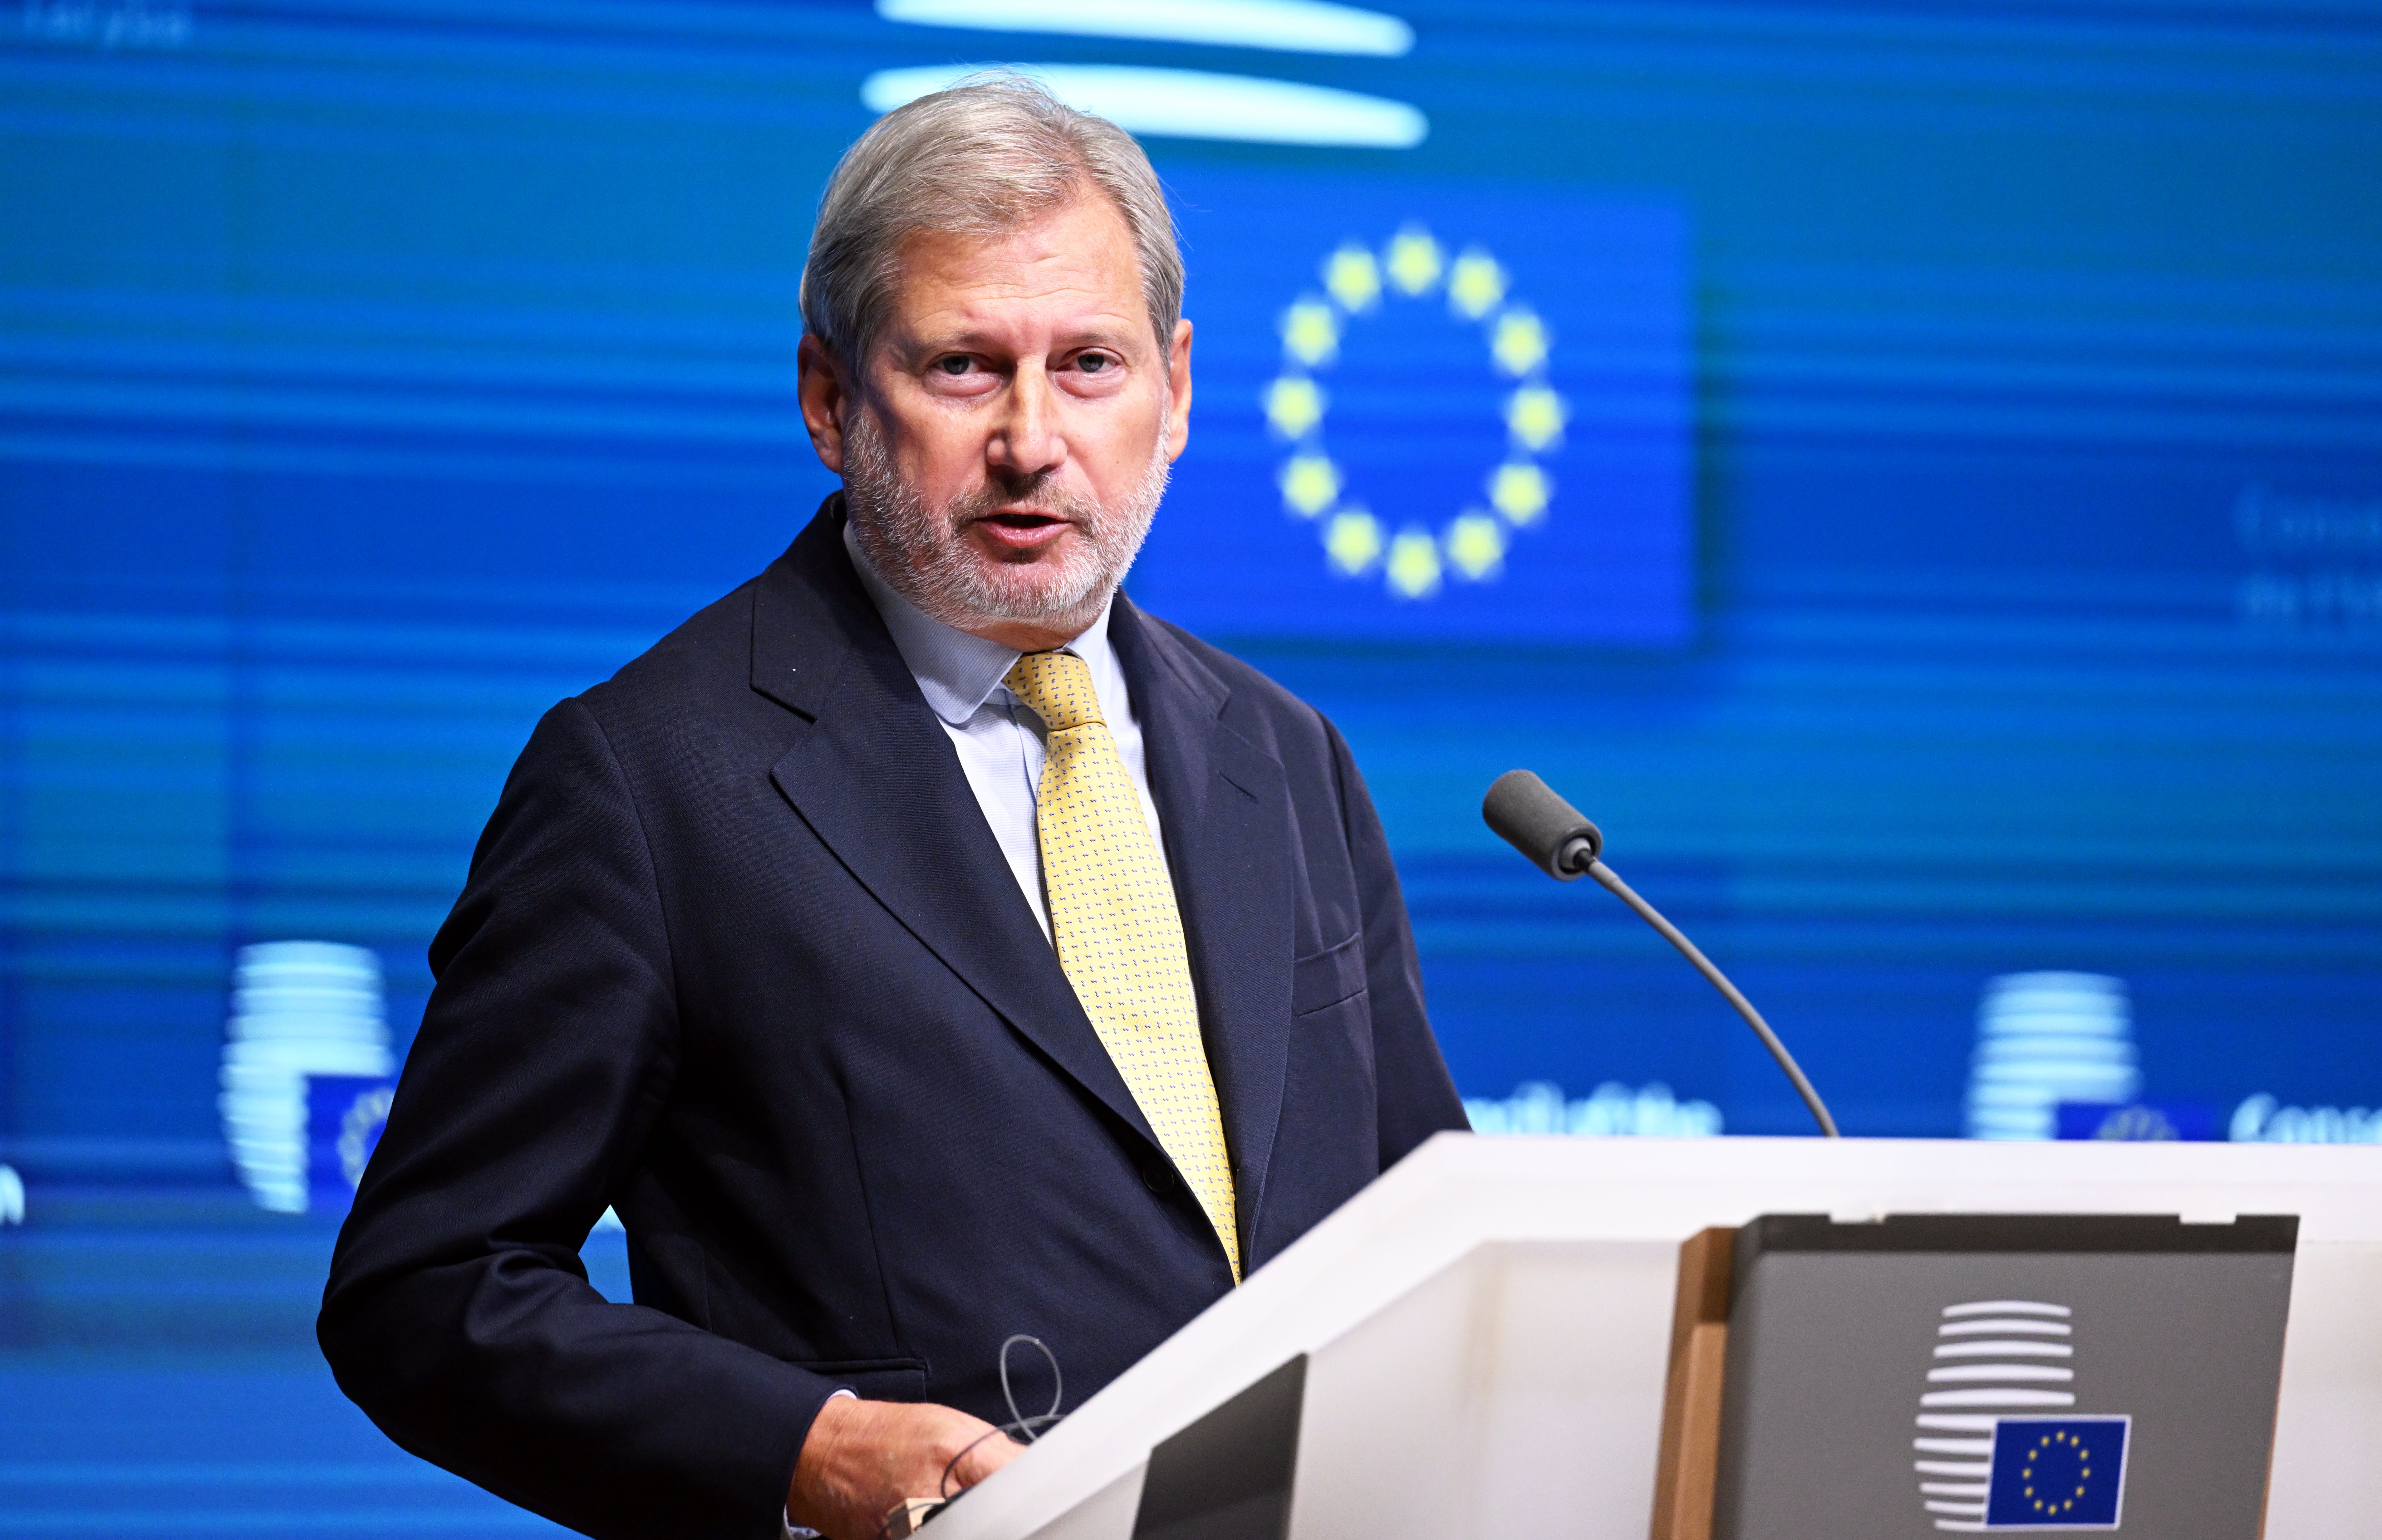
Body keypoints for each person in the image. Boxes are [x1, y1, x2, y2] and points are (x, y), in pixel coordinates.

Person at [318, 75, 1468, 1540]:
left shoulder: (1288, 756)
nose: (1033, 440)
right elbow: (427, 1287)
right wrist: (805, 1450)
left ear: (1176, 391)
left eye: (1091, 365)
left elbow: (1426, 1229)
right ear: (829, 398)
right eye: (964, 367)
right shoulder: (650, 780)